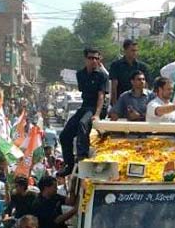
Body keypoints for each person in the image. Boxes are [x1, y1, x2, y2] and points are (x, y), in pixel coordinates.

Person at [58, 48, 108, 177]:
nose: (94, 61)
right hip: (85, 106)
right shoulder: (80, 74)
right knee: (64, 136)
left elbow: (101, 96)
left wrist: (97, 114)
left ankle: (82, 158)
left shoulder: (102, 75)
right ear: (86, 59)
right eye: (91, 58)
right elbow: (84, 92)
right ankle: (69, 164)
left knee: (83, 124)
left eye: (96, 58)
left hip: (97, 107)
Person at [110, 39, 149, 105]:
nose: (135, 53)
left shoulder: (142, 67)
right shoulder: (116, 65)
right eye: (132, 50)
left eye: (136, 50)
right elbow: (114, 87)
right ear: (125, 50)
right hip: (121, 102)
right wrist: (115, 105)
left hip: (137, 103)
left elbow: (146, 87)